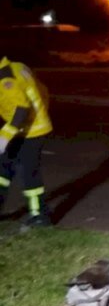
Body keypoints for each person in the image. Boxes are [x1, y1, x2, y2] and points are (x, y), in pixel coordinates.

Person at [0, 55, 53, 226]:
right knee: (3, 168)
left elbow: (21, 109)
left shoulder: (5, 80)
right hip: (26, 127)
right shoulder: (17, 66)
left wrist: (5, 136)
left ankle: (39, 216)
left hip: (32, 130)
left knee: (28, 171)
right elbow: (42, 89)